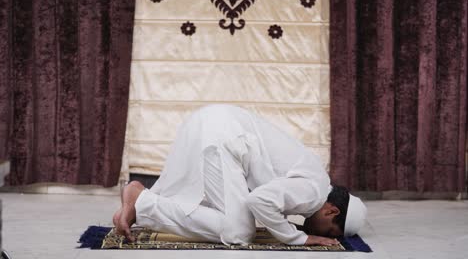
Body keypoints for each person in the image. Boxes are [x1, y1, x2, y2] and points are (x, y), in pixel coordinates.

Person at [113, 104, 367, 246]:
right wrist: (299, 238)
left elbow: (261, 197)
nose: (324, 236)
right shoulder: (313, 193)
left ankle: (143, 203)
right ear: (331, 210)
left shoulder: (316, 177)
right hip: (223, 138)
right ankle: (142, 201)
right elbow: (260, 200)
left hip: (216, 125)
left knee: (226, 212)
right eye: (331, 232)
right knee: (239, 232)